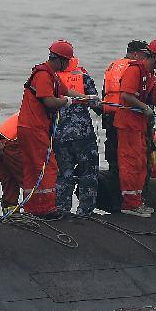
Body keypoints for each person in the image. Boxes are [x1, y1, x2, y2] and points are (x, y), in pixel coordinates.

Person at [16, 40, 88, 218]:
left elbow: (66, 92)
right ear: (62, 60)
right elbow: (49, 101)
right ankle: (46, 208)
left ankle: (33, 207)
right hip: (34, 127)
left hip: (33, 127)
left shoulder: (51, 75)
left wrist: (85, 98)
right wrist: (67, 102)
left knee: (33, 167)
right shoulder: (43, 75)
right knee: (47, 166)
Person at [116, 37, 156, 217]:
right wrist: (144, 107)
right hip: (128, 125)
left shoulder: (151, 75)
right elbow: (126, 95)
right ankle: (129, 204)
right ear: (155, 57)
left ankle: (136, 201)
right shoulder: (135, 70)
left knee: (141, 163)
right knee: (130, 163)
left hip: (140, 126)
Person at [102, 39, 149, 211]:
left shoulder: (112, 66)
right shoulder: (135, 68)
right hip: (129, 116)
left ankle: (117, 203)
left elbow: (104, 95)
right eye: (145, 54)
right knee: (134, 162)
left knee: (116, 162)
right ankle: (133, 201)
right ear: (137, 54)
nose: (146, 58)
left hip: (110, 118)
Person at [55, 55, 101, 216]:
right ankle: (85, 211)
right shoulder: (83, 76)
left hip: (59, 134)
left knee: (63, 173)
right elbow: (96, 105)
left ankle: (61, 209)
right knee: (88, 172)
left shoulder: (53, 78)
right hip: (83, 134)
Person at [0, 113, 23, 216]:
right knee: (29, 180)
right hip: (13, 143)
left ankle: (11, 214)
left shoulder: (25, 112)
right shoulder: (53, 112)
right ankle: (36, 212)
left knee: (10, 183)